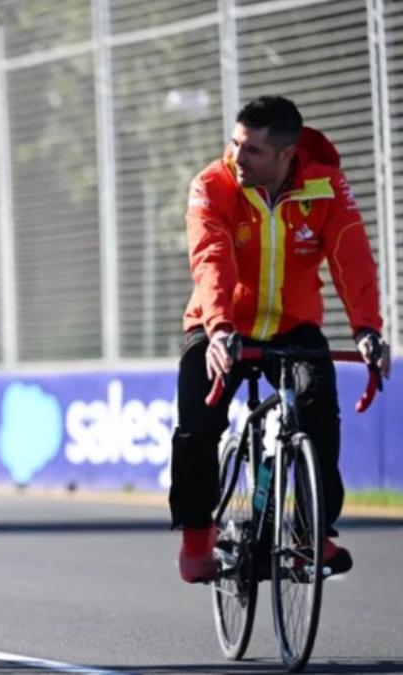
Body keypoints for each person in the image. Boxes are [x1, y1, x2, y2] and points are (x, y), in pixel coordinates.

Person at [171, 95, 389, 583]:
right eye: (235, 144)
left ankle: (312, 533)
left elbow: (352, 258)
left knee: (318, 410)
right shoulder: (213, 185)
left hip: (293, 326)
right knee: (196, 427)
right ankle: (195, 533)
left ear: (287, 155)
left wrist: (368, 329)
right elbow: (211, 261)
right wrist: (221, 329)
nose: (237, 158)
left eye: (253, 151)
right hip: (218, 322)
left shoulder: (327, 187)